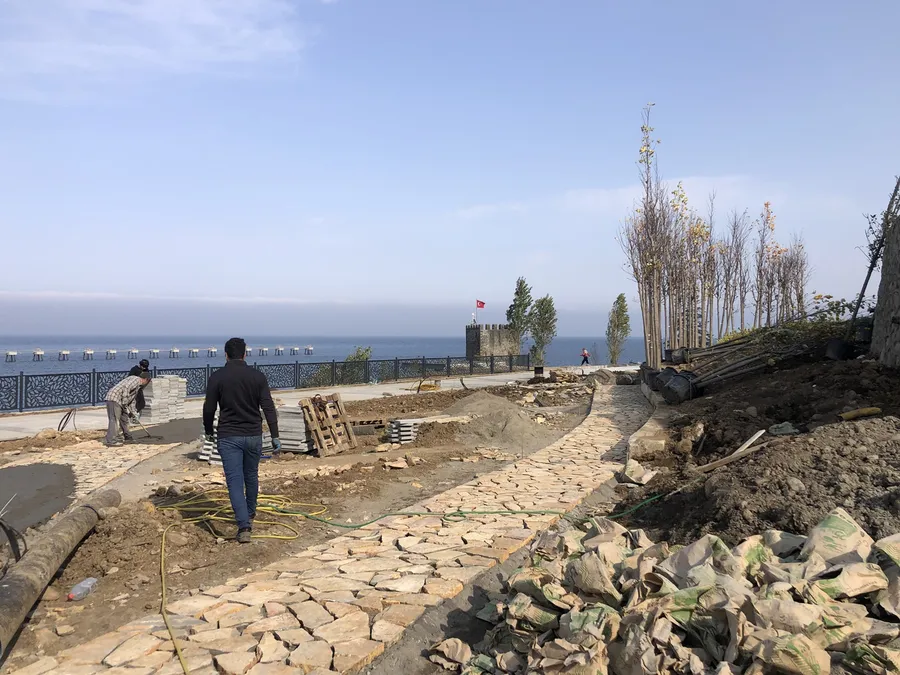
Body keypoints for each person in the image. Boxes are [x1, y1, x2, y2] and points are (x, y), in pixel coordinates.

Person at [203, 337, 282, 544]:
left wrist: (208, 430)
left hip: (229, 436)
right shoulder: (257, 376)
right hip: (253, 435)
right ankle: (250, 512)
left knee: (235, 481)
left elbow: (209, 408)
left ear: (226, 355)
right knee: (251, 475)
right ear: (245, 354)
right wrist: (275, 435)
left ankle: (244, 526)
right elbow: (268, 407)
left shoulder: (217, 377)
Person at [105, 373, 150, 446]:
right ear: (145, 379)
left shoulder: (138, 386)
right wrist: (125, 400)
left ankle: (128, 437)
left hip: (121, 400)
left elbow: (132, 400)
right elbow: (126, 387)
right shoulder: (136, 380)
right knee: (114, 419)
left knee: (124, 419)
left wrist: (133, 412)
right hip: (114, 398)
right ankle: (111, 440)